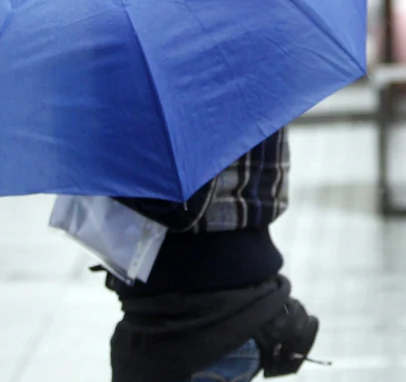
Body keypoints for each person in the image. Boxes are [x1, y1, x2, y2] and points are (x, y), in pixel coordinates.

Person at [107, 127, 321, 382]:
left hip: (197, 317)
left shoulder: (182, 94)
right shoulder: (246, 90)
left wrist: (107, 164)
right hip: (230, 298)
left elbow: (177, 204)